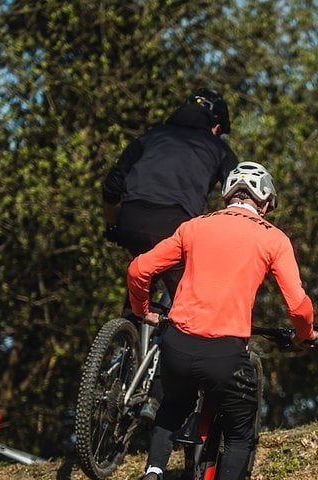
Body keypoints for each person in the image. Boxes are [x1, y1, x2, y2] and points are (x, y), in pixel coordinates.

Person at [126, 161, 318, 480]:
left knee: (171, 406)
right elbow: (298, 305)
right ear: (264, 202)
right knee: (240, 434)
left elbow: (139, 268)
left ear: (228, 194)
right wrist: (305, 336)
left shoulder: (194, 226)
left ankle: (155, 474)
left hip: (178, 345)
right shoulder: (273, 238)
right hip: (224, 354)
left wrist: (143, 309)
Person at [101, 87, 239, 419]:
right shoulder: (219, 148)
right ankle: (157, 397)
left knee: (140, 289)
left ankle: (118, 358)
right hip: (175, 225)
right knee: (185, 309)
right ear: (216, 124)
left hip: (131, 218)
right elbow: (237, 195)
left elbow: (111, 185)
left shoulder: (152, 136)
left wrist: (113, 226)